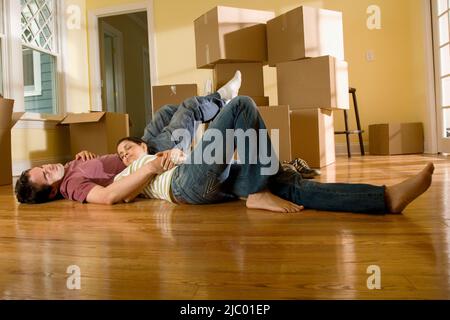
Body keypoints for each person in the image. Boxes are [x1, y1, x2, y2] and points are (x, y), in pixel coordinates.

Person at [112, 96, 434, 214]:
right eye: (120, 154)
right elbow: (117, 197)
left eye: (128, 147)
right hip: (182, 185)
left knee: (287, 183)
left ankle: (385, 199)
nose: (124, 154)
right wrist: (150, 166)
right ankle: (258, 192)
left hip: (209, 179)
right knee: (241, 105)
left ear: (143, 143)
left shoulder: (168, 146)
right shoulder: (135, 167)